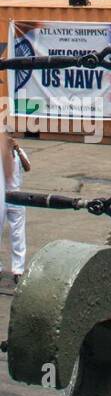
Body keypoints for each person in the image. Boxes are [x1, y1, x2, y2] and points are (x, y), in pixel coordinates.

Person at [1, 112, 29, 279]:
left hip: (16, 195)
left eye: (11, 135)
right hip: (2, 195)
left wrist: (17, 150)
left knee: (17, 233)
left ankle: (18, 269)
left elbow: (28, 167)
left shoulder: (19, 151)